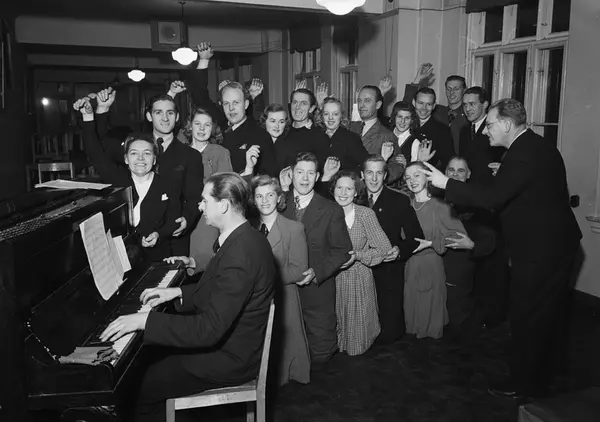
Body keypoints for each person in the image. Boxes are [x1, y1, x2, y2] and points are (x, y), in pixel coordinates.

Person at [419, 98, 582, 398]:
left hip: (541, 250)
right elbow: (522, 191)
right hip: (552, 244)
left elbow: (493, 199)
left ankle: (525, 384)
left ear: (506, 124)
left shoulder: (522, 155)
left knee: (528, 316)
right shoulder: (532, 146)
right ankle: (545, 374)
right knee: (545, 314)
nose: (485, 131)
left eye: (490, 125)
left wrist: (446, 183)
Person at [100, 172, 275, 422]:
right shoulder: (244, 237)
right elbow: (219, 290)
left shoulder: (240, 254)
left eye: (205, 200)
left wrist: (145, 321)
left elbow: (208, 330)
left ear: (223, 205)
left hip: (231, 358)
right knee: (148, 359)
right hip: (234, 344)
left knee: (139, 386)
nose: (199, 206)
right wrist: (177, 292)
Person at [93, 88, 205, 256]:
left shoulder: (190, 156)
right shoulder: (135, 147)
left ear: (177, 117)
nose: (165, 118)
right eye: (158, 112)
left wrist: (187, 219)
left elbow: (194, 197)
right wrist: (102, 110)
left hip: (173, 239)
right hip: (132, 244)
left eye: (170, 113)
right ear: (149, 116)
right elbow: (101, 147)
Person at [75, 96, 179, 262]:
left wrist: (159, 234)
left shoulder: (167, 185)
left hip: (157, 258)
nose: (140, 159)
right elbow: (95, 153)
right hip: (121, 257)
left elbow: (174, 220)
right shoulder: (118, 179)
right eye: (134, 153)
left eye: (147, 153)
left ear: (154, 159)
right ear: (126, 159)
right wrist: (88, 116)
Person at [280, 152, 352, 364]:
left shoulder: (331, 209)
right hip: (285, 290)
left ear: (318, 176)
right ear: (291, 174)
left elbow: (342, 250)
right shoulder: (277, 204)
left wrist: (317, 272)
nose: (305, 178)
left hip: (317, 291)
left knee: (321, 353)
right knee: (286, 353)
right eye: (300, 172)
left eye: (310, 173)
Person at [251, 175, 311, 385]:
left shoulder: (294, 228)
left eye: (270, 195)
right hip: (254, 301)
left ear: (279, 198)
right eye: (259, 196)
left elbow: (299, 270)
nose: (264, 201)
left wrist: (261, 278)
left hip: (282, 298)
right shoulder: (248, 229)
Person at [362, 155, 424, 343]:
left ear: (385, 175)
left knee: (390, 333)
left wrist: (399, 251)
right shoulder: (352, 197)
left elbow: (416, 237)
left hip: (388, 271)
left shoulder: (399, 200)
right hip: (360, 271)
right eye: (369, 173)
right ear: (362, 175)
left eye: (379, 173)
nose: (374, 179)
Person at [330, 171, 392, 355]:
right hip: (332, 279)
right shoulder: (326, 213)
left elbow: (384, 248)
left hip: (358, 278)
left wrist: (358, 256)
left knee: (358, 339)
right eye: (339, 188)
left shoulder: (365, 214)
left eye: (349, 189)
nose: (343, 193)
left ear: (356, 192)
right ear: (333, 190)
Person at [403, 161, 466, 339]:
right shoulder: (405, 205)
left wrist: (431, 243)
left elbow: (459, 238)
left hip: (430, 266)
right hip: (409, 267)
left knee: (429, 325)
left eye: (417, 175)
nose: (412, 180)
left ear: (427, 177)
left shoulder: (440, 206)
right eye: (408, 177)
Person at [442, 157, 496, 329]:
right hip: (435, 266)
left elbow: (490, 242)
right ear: (445, 173)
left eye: (461, 171)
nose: (455, 175)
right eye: (451, 170)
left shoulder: (478, 202)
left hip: (463, 267)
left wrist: (471, 245)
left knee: (458, 319)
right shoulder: (436, 198)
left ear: (469, 174)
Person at [183, 107, 233, 272]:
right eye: (197, 124)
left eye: (207, 125)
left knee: (202, 260)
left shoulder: (220, 152)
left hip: (207, 213)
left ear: (213, 129)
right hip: (183, 211)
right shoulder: (181, 151)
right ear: (190, 126)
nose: (202, 129)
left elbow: (225, 187)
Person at [403, 65, 468, 152]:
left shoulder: (469, 114)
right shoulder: (437, 111)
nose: (451, 92)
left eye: (456, 89)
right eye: (448, 88)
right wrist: (417, 79)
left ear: (464, 90)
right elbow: (406, 108)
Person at [349, 86, 405, 185]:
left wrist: (377, 179)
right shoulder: (350, 127)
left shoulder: (387, 135)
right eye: (359, 101)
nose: (361, 105)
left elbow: (396, 167)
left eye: (367, 101)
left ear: (378, 105)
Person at [274, 88, 330, 172]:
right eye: (295, 102)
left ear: (311, 109)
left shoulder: (319, 137)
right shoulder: (281, 131)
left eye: (303, 103)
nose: (297, 107)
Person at [459, 86, 504, 186]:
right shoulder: (464, 130)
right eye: (465, 105)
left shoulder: (495, 128)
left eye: (472, 104)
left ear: (485, 105)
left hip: (488, 187)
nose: (467, 109)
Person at [318, 97, 368, 174]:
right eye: (326, 114)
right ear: (322, 116)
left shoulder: (352, 138)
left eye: (335, 114)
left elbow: (365, 164)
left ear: (341, 116)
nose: (330, 117)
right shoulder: (315, 136)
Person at [412, 87, 455, 172]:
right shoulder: (405, 124)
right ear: (414, 102)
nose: (424, 108)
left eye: (429, 104)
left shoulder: (442, 130)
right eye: (420, 103)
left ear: (434, 105)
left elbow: (447, 162)